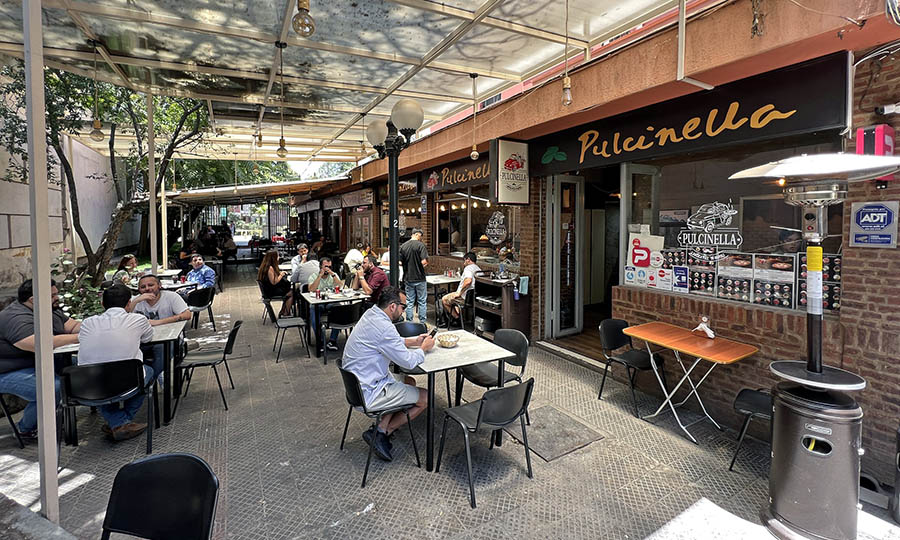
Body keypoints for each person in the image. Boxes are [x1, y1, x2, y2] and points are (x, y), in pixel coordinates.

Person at [341, 287, 433, 461]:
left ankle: (381, 428)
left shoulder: (371, 315)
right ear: (392, 306)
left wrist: (414, 341)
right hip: (370, 392)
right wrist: (423, 349)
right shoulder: (384, 327)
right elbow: (408, 361)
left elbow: (389, 341)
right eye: (403, 307)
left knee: (409, 381)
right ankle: (382, 433)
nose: (404, 311)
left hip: (356, 387)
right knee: (426, 398)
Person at [0, 279, 80, 440]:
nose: (57, 297)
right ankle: (25, 429)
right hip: (8, 371)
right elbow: (39, 344)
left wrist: (92, 329)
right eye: (52, 295)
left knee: (86, 367)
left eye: (56, 293)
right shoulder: (14, 317)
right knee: (54, 388)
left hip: (43, 363)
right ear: (33, 300)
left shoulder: (49, 308)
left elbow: (72, 326)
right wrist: (78, 337)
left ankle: (63, 416)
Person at [77, 284, 154, 441]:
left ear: (102, 304)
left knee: (98, 377)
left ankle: (116, 422)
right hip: (127, 382)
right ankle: (120, 422)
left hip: (87, 387)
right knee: (149, 371)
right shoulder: (138, 319)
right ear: (128, 304)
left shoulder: (87, 322)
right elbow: (147, 339)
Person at [127, 274, 192, 378]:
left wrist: (159, 322)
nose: (147, 288)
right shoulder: (135, 301)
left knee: (162, 349)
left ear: (159, 285)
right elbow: (123, 317)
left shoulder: (171, 297)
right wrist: (136, 301)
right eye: (143, 287)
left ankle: (152, 379)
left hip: (169, 338)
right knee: (129, 351)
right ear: (139, 289)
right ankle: (144, 378)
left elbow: (187, 314)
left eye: (151, 285)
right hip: (144, 339)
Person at [307, 256, 342, 352]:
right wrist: (319, 277)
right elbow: (311, 289)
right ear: (320, 267)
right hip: (319, 302)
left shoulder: (333, 275)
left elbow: (340, 286)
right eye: (325, 266)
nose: (327, 269)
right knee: (313, 310)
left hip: (331, 301)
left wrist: (333, 275)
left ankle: (333, 340)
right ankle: (320, 340)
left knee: (339, 308)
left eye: (329, 267)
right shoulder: (313, 276)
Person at [441, 251, 481, 324]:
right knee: (454, 303)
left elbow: (468, 281)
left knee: (444, 299)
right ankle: (460, 317)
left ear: (468, 259)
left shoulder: (468, 269)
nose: (464, 263)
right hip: (474, 298)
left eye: (464, 260)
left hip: (465, 297)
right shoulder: (479, 269)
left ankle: (457, 318)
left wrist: (460, 293)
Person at [399, 228, 429, 324]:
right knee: (422, 301)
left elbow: (399, 262)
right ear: (416, 234)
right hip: (420, 277)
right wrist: (424, 264)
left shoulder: (403, 246)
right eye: (420, 235)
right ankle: (422, 323)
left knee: (409, 301)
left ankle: (409, 322)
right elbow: (424, 262)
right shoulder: (421, 246)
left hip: (408, 277)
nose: (421, 238)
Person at [257, 250, 294, 317]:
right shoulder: (270, 268)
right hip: (272, 291)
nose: (279, 258)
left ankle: (283, 310)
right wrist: (281, 275)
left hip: (270, 289)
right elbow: (274, 282)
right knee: (292, 293)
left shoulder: (265, 266)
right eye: (277, 256)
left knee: (289, 291)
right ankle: (286, 313)